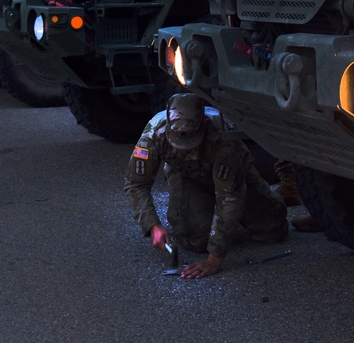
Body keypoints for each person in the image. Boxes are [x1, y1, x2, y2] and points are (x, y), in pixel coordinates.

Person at [123, 93, 288, 279]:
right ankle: (208, 214)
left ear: (204, 125)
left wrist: (214, 259)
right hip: (186, 175)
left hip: (232, 177)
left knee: (273, 229)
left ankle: (227, 221)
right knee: (196, 241)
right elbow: (136, 184)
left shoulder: (224, 138)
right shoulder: (153, 135)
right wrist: (152, 225)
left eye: (191, 140)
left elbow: (230, 196)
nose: (186, 147)